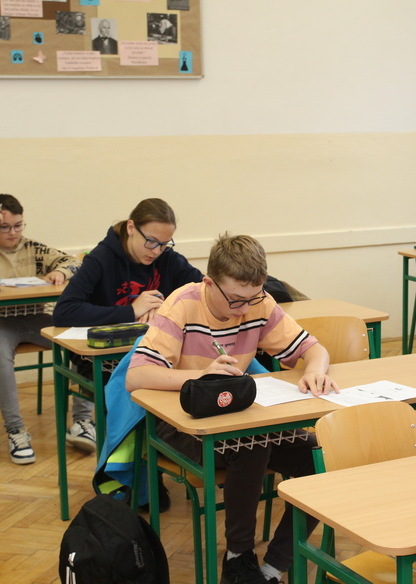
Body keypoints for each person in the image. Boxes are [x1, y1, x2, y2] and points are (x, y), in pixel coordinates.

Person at [126, 233, 338, 584]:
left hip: (239, 421)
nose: (244, 309)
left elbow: (313, 349)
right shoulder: (183, 304)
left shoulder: (258, 302)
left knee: (322, 457)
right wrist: (201, 377)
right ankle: (239, 559)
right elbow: (136, 376)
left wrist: (314, 370)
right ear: (209, 283)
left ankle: (273, 567)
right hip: (180, 425)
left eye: (253, 298)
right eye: (236, 300)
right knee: (253, 441)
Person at [53, 198, 203, 452]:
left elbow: (203, 293)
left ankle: (160, 459)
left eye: (164, 244)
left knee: (176, 397)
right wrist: (131, 311)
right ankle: (128, 465)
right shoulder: (101, 259)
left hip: (155, 354)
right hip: (103, 359)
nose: (156, 251)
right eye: (151, 241)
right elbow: (64, 311)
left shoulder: (168, 259)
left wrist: (165, 308)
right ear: (132, 227)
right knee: (131, 400)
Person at [0, 194, 81, 464]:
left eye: (18, 226)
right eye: (4, 227)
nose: (13, 233)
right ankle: (16, 431)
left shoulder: (33, 248)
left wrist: (61, 273)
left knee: (78, 341)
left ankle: (83, 420)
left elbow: (74, 262)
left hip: (34, 317)